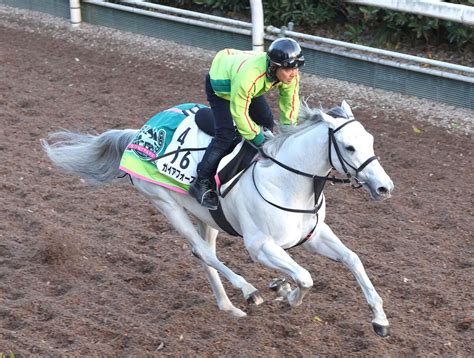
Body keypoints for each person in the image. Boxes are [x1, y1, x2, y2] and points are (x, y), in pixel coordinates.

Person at [189, 37, 305, 210]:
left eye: (296, 67)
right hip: (222, 86)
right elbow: (239, 113)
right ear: (274, 66)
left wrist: (288, 134)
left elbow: (290, 104)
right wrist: (259, 140)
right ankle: (201, 182)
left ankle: (252, 162)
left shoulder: (290, 75)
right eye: (288, 68)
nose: (294, 73)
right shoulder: (249, 76)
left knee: (266, 121)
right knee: (226, 134)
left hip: (247, 82)